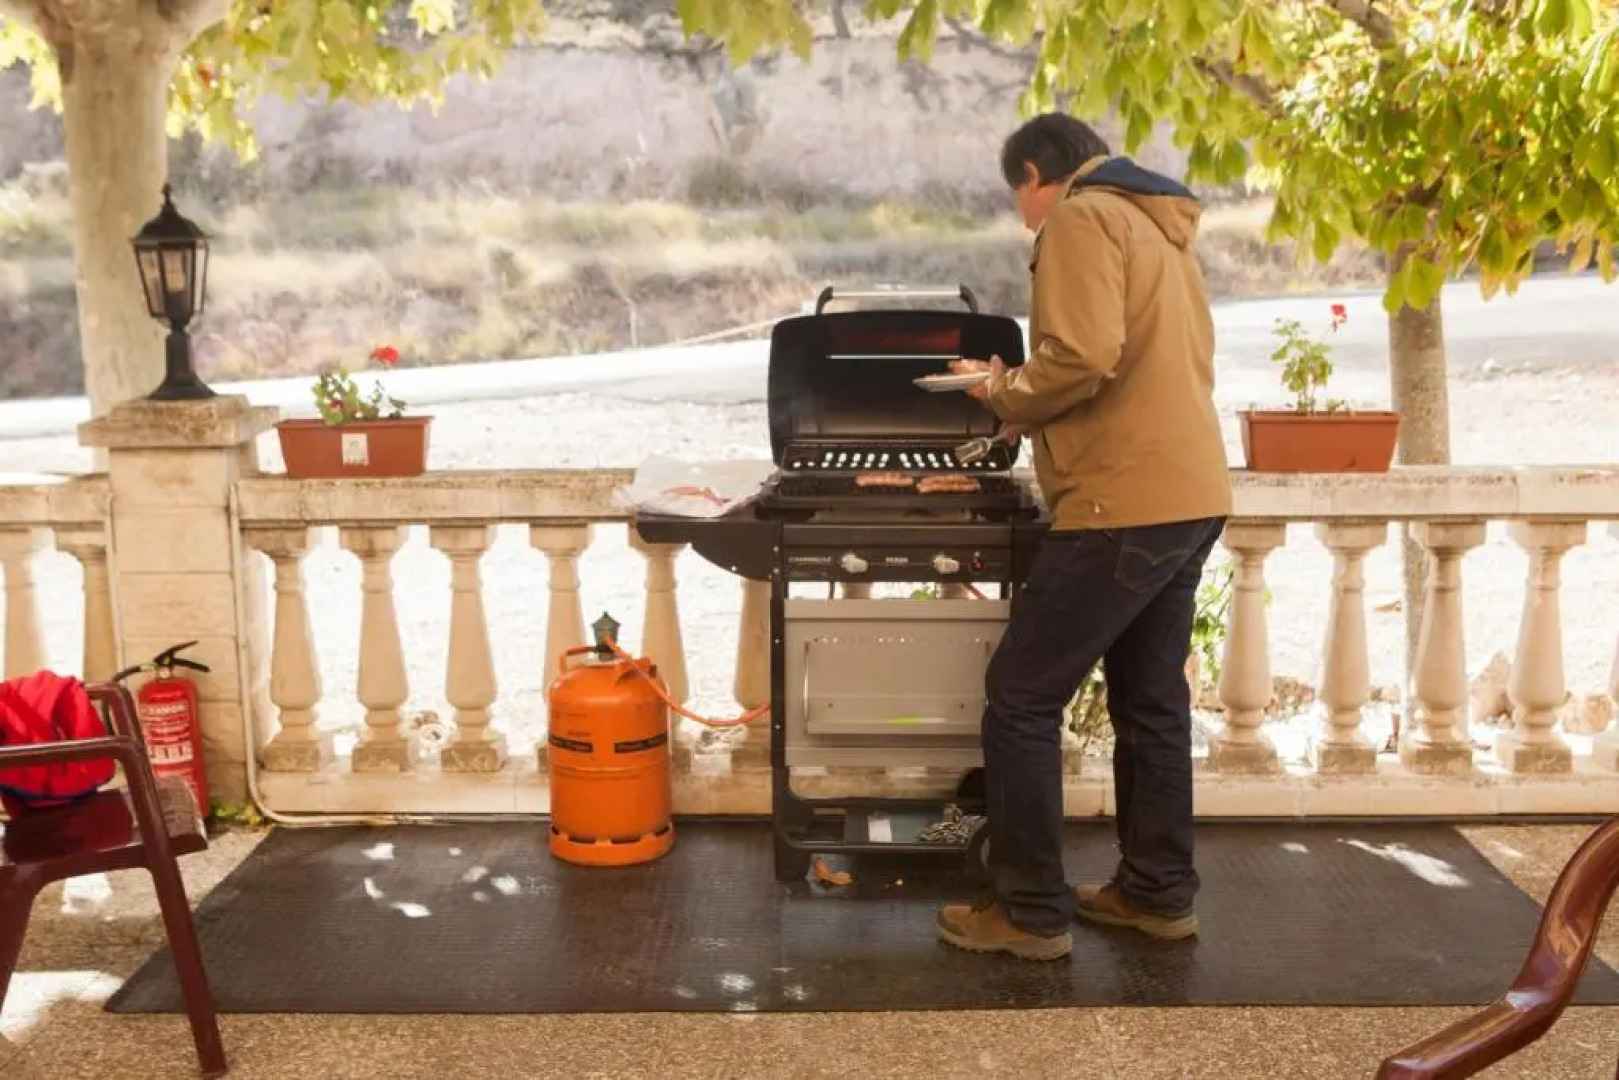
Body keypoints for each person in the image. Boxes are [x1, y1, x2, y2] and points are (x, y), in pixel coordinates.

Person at [934, 113, 1232, 961]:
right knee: (1150, 704)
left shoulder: (1079, 216)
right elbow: (1137, 361)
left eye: (1016, 198)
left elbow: (1081, 354)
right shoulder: (1156, 223)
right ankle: (1155, 894)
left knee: (1021, 697)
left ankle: (1028, 913)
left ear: (1035, 174)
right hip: (1189, 492)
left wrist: (1002, 396)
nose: (1023, 217)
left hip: (1120, 502)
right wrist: (1025, 397)